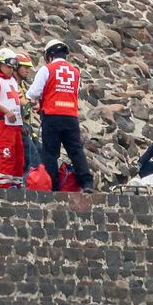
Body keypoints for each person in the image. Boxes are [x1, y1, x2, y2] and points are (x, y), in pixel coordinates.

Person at [25, 39, 94, 192]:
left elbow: (33, 93)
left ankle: (52, 186)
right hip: (71, 117)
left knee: (50, 153)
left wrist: (31, 100)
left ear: (49, 55)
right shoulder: (75, 72)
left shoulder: (47, 69)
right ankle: (87, 183)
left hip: (52, 116)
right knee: (76, 151)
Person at [0, 48, 24, 188]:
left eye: (12, 67)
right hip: (4, 124)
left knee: (19, 157)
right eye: (8, 66)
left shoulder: (13, 80)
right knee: (7, 156)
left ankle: (17, 186)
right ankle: (5, 189)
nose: (11, 69)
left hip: (16, 125)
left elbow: (19, 100)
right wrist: (6, 111)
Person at [13, 52, 41, 173]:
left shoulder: (21, 85)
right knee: (33, 161)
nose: (28, 71)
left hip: (25, 126)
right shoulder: (12, 84)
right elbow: (16, 104)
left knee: (37, 155)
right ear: (16, 67)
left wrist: (32, 104)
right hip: (18, 127)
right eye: (25, 67)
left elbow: (24, 102)